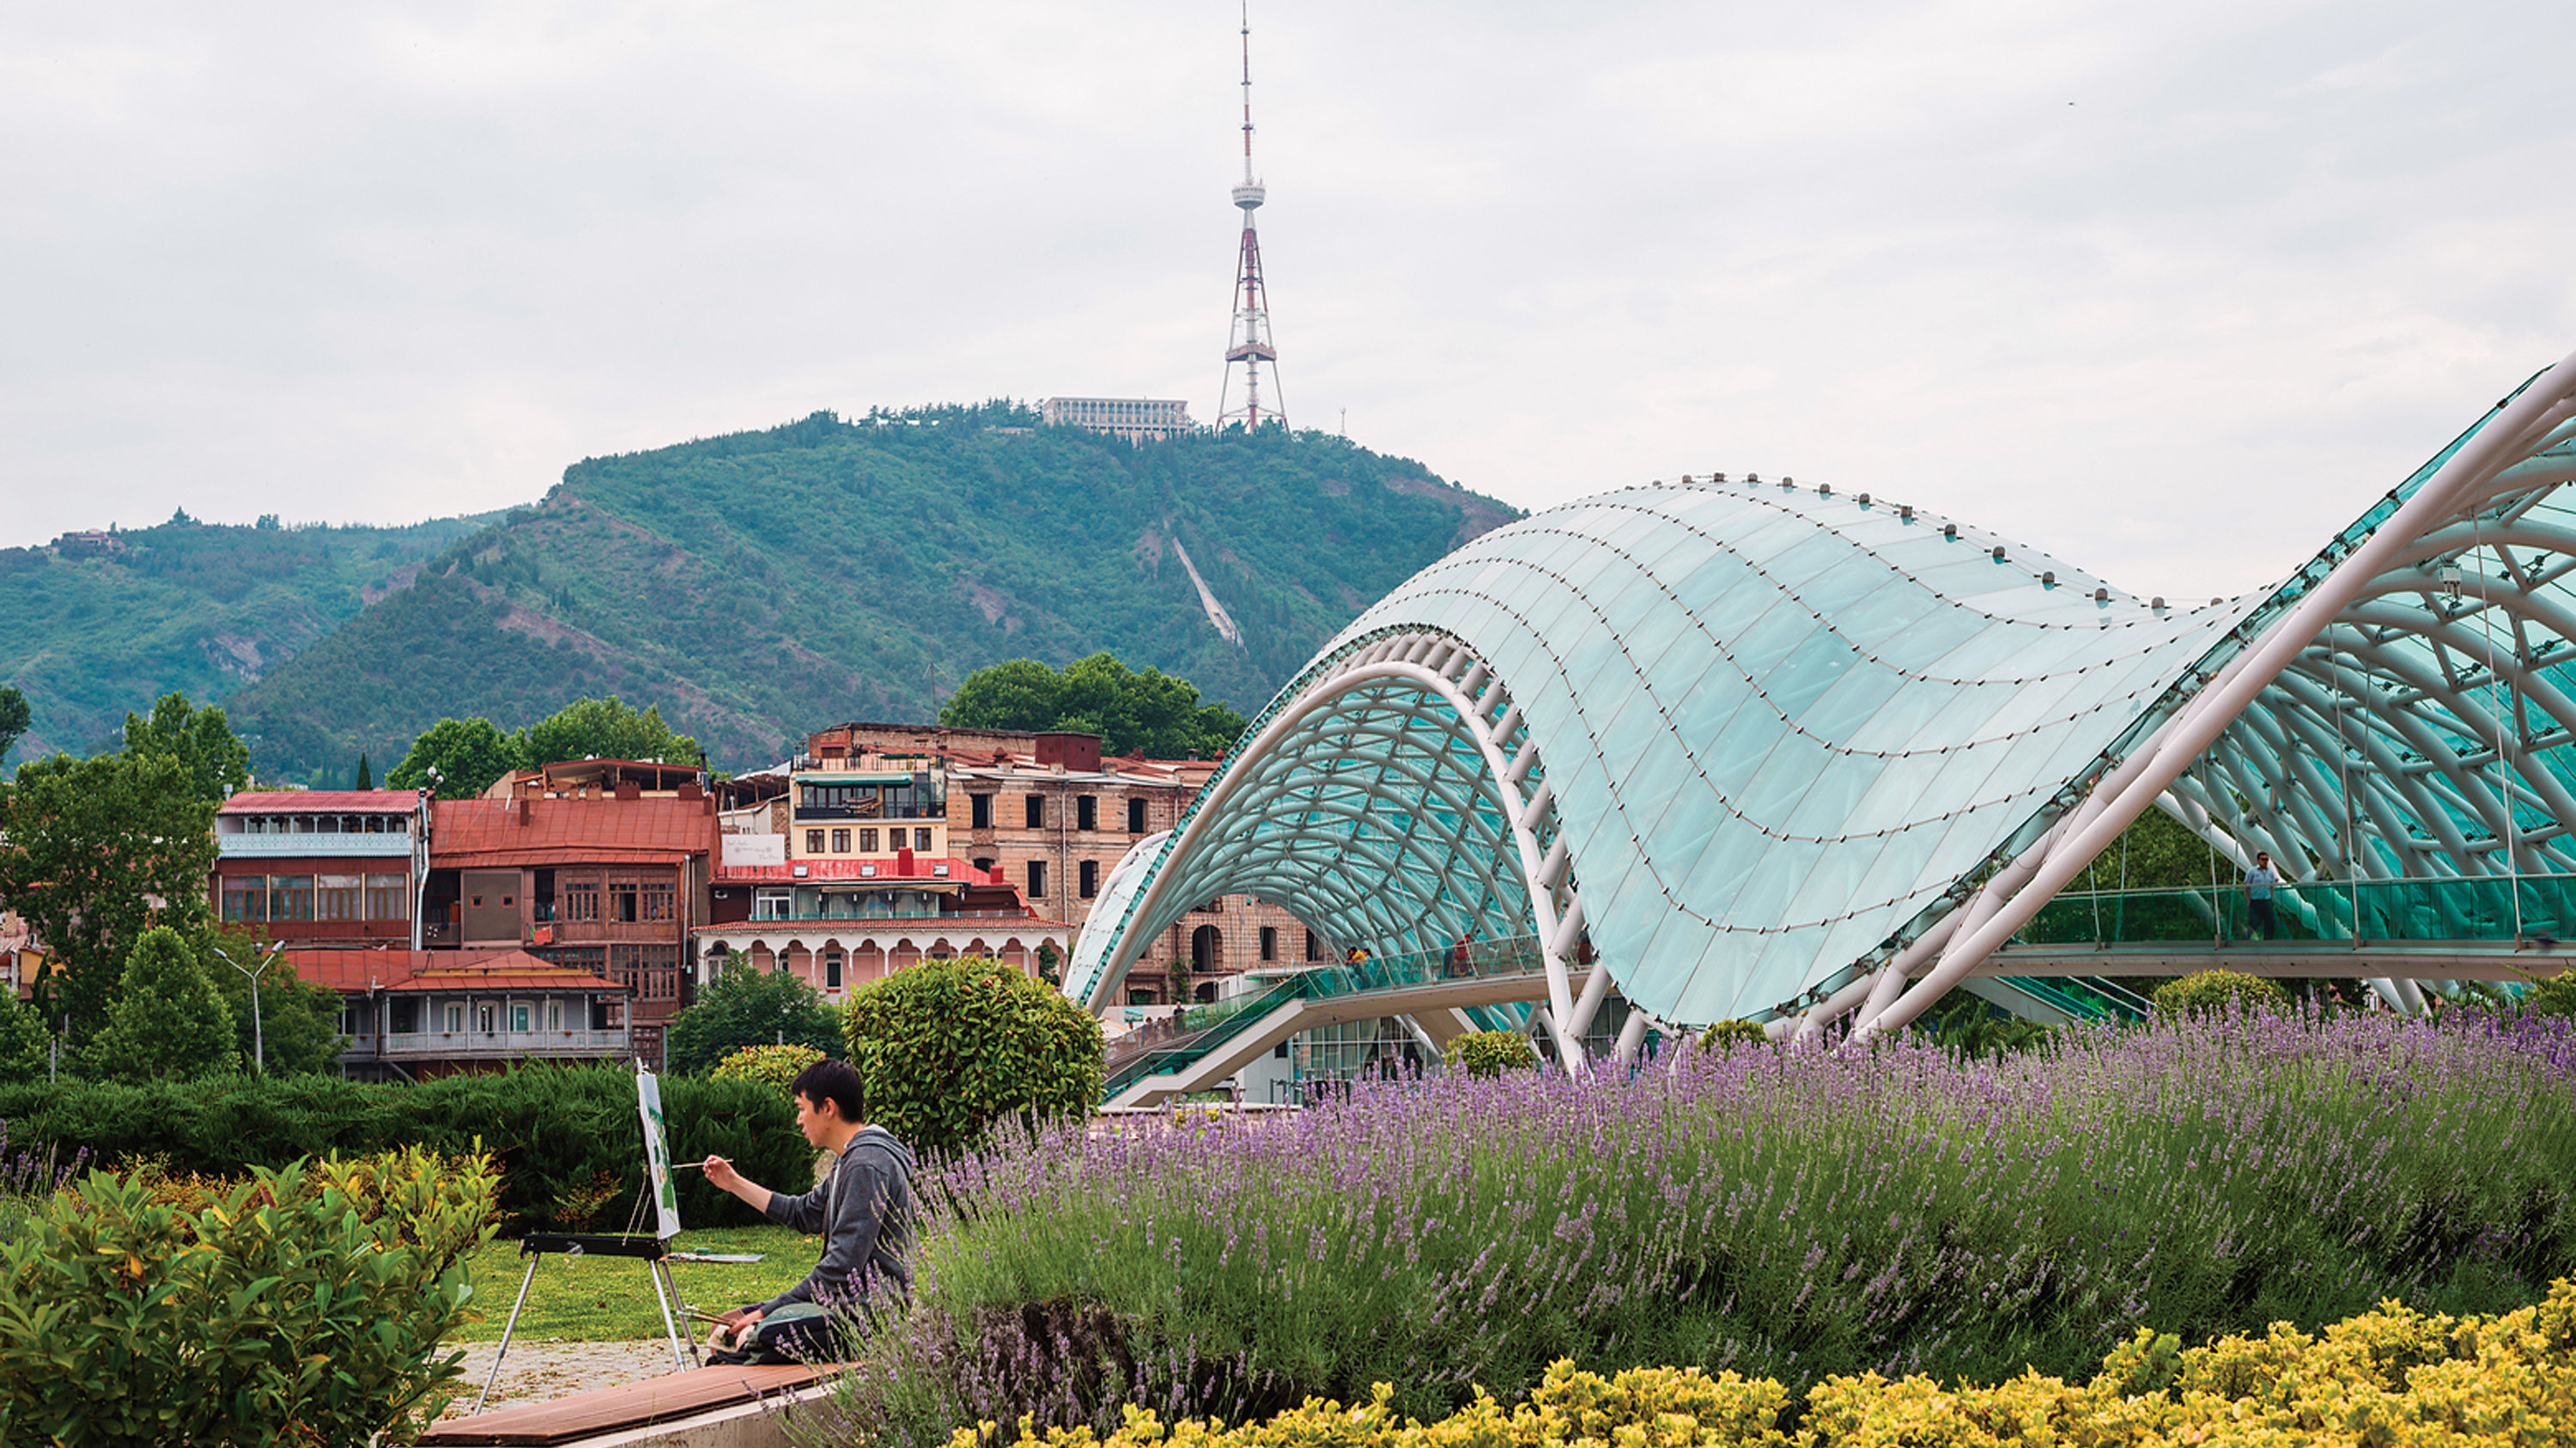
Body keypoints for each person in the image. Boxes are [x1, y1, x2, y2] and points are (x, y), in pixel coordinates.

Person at [701, 1058, 914, 1357]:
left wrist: (767, 1313)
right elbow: (802, 1213)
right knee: (727, 1325)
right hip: (841, 1303)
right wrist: (733, 1183)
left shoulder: (867, 1164)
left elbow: (842, 1266)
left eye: (802, 1108)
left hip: (868, 1315)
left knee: (743, 1340)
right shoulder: (849, 1160)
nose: (799, 1119)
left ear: (827, 1108)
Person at [2245, 852, 2280, 940]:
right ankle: (2245, 939)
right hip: (2255, 901)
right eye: (2263, 859)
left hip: (2267, 901)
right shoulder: (2252, 872)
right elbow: (2246, 887)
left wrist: (2272, 899)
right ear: (2258, 860)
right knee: (2255, 923)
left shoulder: (2270, 873)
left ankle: (2268, 942)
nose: (2265, 861)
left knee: (2270, 922)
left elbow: (2271, 887)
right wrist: (2248, 901)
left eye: (2267, 859)